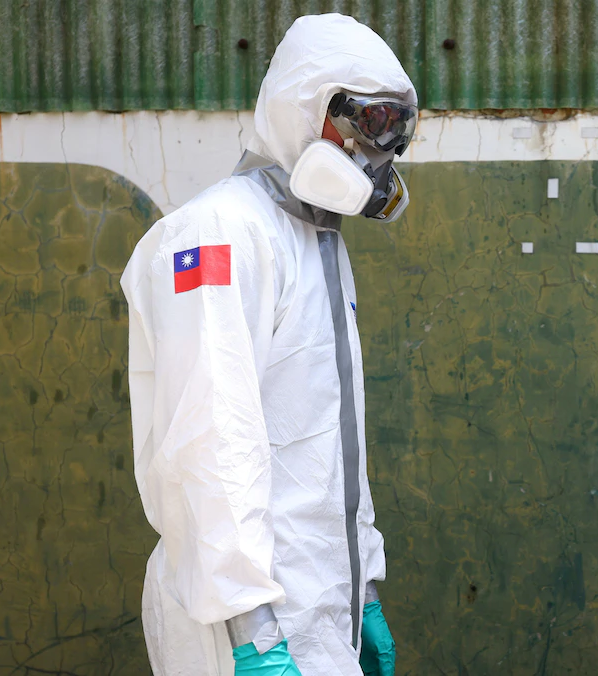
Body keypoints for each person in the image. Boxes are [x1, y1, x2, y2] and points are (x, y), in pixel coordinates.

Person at [121, 13, 416, 675]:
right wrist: (253, 635)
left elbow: (331, 443)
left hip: (319, 610)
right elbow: (210, 443)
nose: (381, 151)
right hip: (243, 630)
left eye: (398, 128)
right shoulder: (218, 235)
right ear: (306, 108)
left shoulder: (317, 241)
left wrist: (364, 590)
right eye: (372, 121)